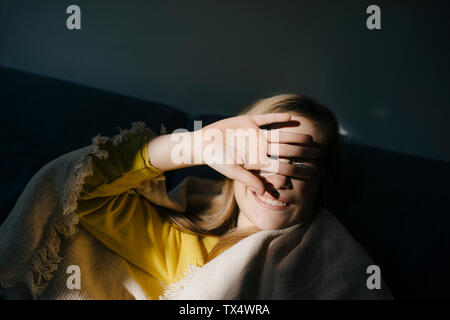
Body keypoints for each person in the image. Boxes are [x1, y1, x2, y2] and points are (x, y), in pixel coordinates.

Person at [0, 93, 392, 299]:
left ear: (322, 184)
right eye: (266, 155)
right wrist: (193, 146)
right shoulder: (178, 239)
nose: (281, 174)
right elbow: (77, 190)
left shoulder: (332, 257)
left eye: (303, 166)